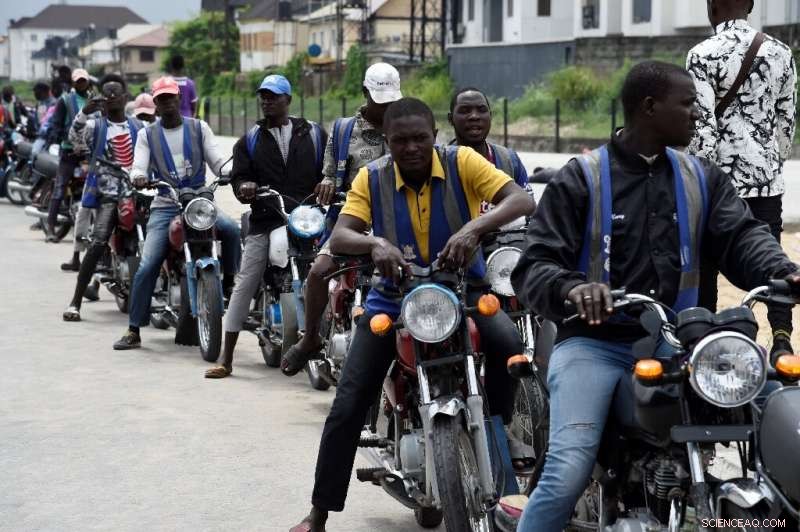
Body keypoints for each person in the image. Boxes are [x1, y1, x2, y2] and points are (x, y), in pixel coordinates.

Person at [508, 61, 799, 532]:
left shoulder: (701, 176)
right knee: (567, 470)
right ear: (649, 107)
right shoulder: (580, 178)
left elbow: (742, 235)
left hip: (682, 343)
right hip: (594, 345)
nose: (697, 115)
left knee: (782, 411)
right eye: (687, 104)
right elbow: (533, 264)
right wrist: (572, 287)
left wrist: (783, 269)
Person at [289, 97, 534, 532]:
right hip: (393, 298)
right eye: (400, 140)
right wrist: (374, 245)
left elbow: (520, 199)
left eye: (420, 138)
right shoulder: (371, 176)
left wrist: (474, 229)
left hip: (466, 290)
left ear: (434, 136)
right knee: (347, 404)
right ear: (387, 142)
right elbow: (343, 232)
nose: (412, 147)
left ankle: (499, 423)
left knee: (509, 344)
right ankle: (319, 512)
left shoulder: (463, 163)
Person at [687, 0, 797, 358]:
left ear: (712, 6)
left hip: (717, 186)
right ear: (750, 5)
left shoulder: (701, 55)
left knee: (706, 265)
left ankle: (705, 340)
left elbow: (704, 130)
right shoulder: (781, 52)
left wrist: (701, 181)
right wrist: (768, 162)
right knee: (773, 262)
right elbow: (786, 124)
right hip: (767, 183)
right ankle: (781, 339)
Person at [280, 62, 402, 375]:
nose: (386, 107)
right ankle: (310, 340)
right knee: (319, 270)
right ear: (365, 93)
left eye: (391, 101)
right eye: (380, 100)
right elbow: (330, 171)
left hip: (397, 217)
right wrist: (327, 183)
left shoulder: (403, 125)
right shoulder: (344, 128)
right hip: (351, 216)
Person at [205, 75, 326, 378]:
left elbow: (330, 167)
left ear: (288, 100)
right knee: (245, 282)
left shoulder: (313, 133)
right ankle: (227, 358)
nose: (267, 101)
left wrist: (329, 181)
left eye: (274, 96)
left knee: (334, 272)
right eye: (264, 96)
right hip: (266, 217)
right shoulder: (250, 139)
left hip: (307, 216)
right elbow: (239, 177)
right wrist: (245, 185)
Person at [112, 76, 241, 350]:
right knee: (147, 265)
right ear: (155, 104)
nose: (168, 102)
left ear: (178, 99)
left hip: (199, 202)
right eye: (162, 99)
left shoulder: (198, 127)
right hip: (166, 204)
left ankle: (230, 285)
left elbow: (217, 161)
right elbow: (139, 165)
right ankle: (134, 329)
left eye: (172, 97)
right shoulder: (148, 135)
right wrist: (137, 176)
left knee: (232, 231)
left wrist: (230, 173)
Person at [62, 74, 145, 321]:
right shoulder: (94, 126)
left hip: (138, 194)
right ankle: (75, 301)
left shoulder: (139, 127)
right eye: (106, 93)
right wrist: (83, 114)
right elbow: (74, 140)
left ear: (125, 97)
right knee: (98, 242)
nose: (110, 96)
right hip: (108, 195)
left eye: (115, 92)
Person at [45, 68, 93, 246]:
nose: (81, 83)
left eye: (84, 80)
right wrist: (64, 138)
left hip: (89, 152)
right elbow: (56, 126)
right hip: (69, 152)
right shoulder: (64, 100)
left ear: (88, 81)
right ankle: (50, 227)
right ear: (73, 83)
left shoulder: (93, 99)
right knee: (60, 186)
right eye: (78, 81)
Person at [448, 87, 528, 190]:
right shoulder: (439, 163)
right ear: (450, 119)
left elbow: (527, 204)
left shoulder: (510, 161)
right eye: (465, 110)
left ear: (490, 116)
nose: (474, 116)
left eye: (482, 110)